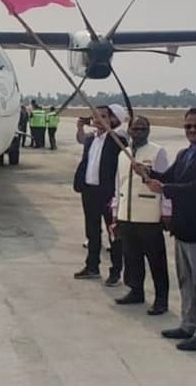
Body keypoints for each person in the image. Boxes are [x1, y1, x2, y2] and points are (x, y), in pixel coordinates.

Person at [136, 107, 196, 351]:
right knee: (186, 280)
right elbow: (169, 177)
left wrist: (164, 189)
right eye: (188, 126)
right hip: (183, 227)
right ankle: (189, 324)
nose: (192, 130)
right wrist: (147, 173)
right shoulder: (185, 153)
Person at [111, 115, 171, 315]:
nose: (138, 132)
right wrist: (115, 212)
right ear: (128, 130)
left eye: (143, 129)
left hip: (149, 216)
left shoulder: (157, 152)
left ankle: (161, 299)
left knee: (156, 260)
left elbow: (166, 183)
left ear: (149, 131)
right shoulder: (123, 154)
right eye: (135, 129)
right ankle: (136, 291)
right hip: (126, 214)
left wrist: (167, 212)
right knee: (131, 257)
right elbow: (118, 184)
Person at [72, 105, 126, 285]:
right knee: (92, 231)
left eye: (103, 116)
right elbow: (81, 140)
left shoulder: (117, 141)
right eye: (95, 116)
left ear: (112, 120)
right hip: (89, 191)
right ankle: (92, 267)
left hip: (108, 193)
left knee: (114, 233)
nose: (98, 119)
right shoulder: (91, 139)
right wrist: (80, 127)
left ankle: (115, 271)